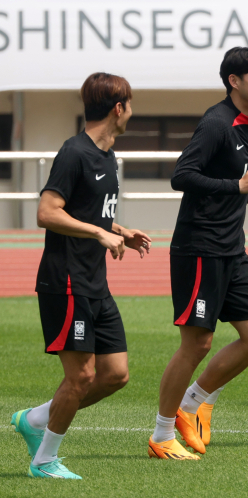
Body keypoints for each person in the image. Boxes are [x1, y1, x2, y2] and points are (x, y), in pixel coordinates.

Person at [10, 72, 152, 479]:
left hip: (94, 281)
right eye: (130, 105)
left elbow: (89, 210)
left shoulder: (107, 156)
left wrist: (120, 230)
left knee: (115, 375)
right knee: (82, 375)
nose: (131, 113)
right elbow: (47, 212)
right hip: (66, 281)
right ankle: (44, 461)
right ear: (118, 108)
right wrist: (99, 233)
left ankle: (35, 419)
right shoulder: (74, 153)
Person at [148, 47, 248, 460]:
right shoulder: (217, 122)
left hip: (231, 248)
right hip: (199, 248)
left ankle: (192, 404)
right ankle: (161, 435)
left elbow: (230, 181)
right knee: (197, 344)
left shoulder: (246, 125)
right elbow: (182, 176)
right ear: (233, 81)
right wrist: (236, 188)